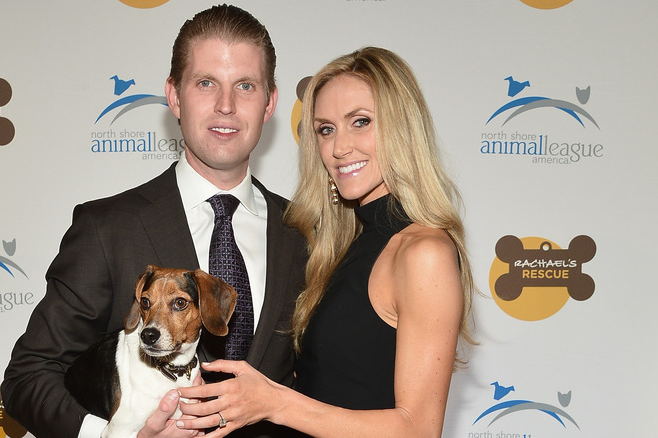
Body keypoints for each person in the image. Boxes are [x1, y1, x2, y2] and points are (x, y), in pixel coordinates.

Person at [0, 5, 307, 438]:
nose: (225, 105)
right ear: (175, 95)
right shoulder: (107, 228)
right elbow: (26, 378)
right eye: (206, 83)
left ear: (270, 101)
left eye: (245, 85)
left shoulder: (304, 233)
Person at [174, 47, 475, 437]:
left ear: (403, 127)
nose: (338, 148)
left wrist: (275, 401)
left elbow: (418, 429)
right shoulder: (337, 249)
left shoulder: (424, 252)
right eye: (325, 129)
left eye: (361, 122)